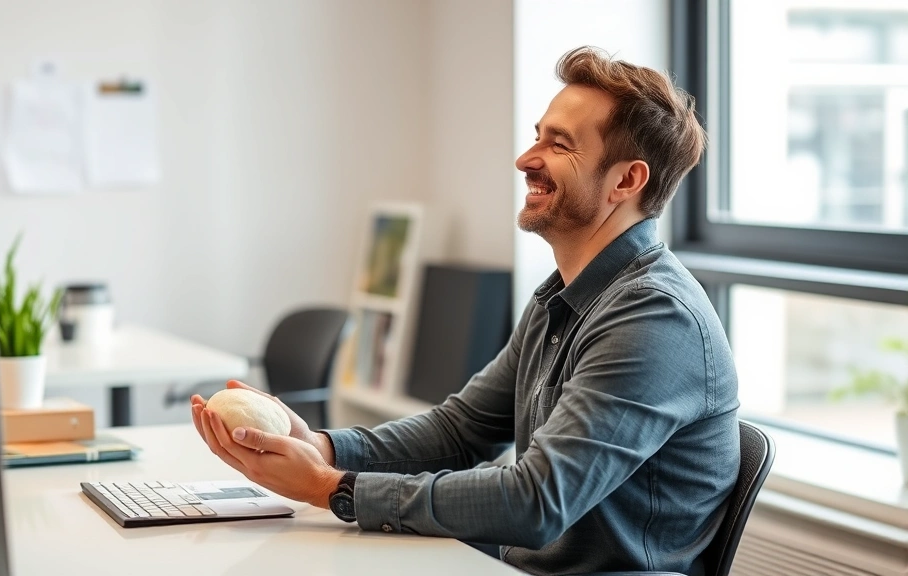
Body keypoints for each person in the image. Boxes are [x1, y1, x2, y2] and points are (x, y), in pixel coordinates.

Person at [191, 46, 739, 576]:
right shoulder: (563, 297)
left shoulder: (654, 320)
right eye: (536, 138)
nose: (526, 160)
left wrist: (332, 487)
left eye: (561, 144)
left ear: (626, 180)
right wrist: (321, 446)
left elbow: (536, 501)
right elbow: (461, 431)